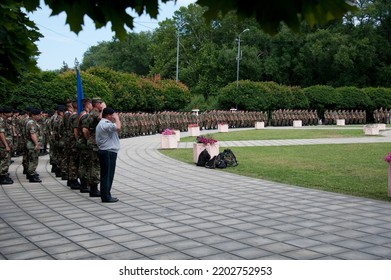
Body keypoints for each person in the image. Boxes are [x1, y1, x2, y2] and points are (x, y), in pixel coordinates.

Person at [96, 107, 121, 203]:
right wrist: (117, 118)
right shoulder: (104, 124)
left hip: (107, 151)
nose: (113, 117)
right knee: (107, 175)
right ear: (108, 116)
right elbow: (118, 127)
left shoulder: (102, 123)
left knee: (106, 175)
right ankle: (106, 196)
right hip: (108, 152)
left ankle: (106, 194)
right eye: (112, 115)